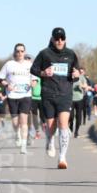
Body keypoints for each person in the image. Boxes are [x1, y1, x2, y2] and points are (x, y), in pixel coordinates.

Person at [31, 27, 81, 169]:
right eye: (57, 38)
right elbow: (33, 69)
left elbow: (75, 72)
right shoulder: (44, 54)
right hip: (48, 93)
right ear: (52, 39)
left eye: (62, 38)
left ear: (65, 39)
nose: (59, 41)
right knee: (51, 126)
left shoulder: (71, 54)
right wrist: (43, 73)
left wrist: (76, 75)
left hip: (65, 93)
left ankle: (62, 157)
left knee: (63, 124)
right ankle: (50, 140)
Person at [0, 44, 35, 153]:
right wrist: (6, 85)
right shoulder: (9, 64)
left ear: (24, 52)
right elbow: (0, 78)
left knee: (24, 120)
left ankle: (23, 146)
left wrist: (33, 83)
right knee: (15, 123)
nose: (20, 53)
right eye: (18, 51)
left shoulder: (30, 64)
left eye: (22, 51)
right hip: (12, 95)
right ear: (14, 52)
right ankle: (17, 134)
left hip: (25, 95)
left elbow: (35, 78)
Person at [69, 68, 89, 138]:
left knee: (78, 116)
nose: (73, 73)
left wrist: (82, 86)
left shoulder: (82, 78)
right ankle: (70, 127)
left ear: (78, 72)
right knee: (70, 116)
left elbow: (86, 87)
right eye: (73, 71)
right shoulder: (69, 78)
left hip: (80, 99)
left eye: (75, 71)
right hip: (70, 99)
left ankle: (76, 132)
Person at [30, 74, 44, 141]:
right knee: (34, 116)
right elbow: (32, 85)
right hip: (33, 99)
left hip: (42, 99)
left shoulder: (43, 76)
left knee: (42, 116)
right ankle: (37, 132)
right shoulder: (32, 77)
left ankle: (44, 127)